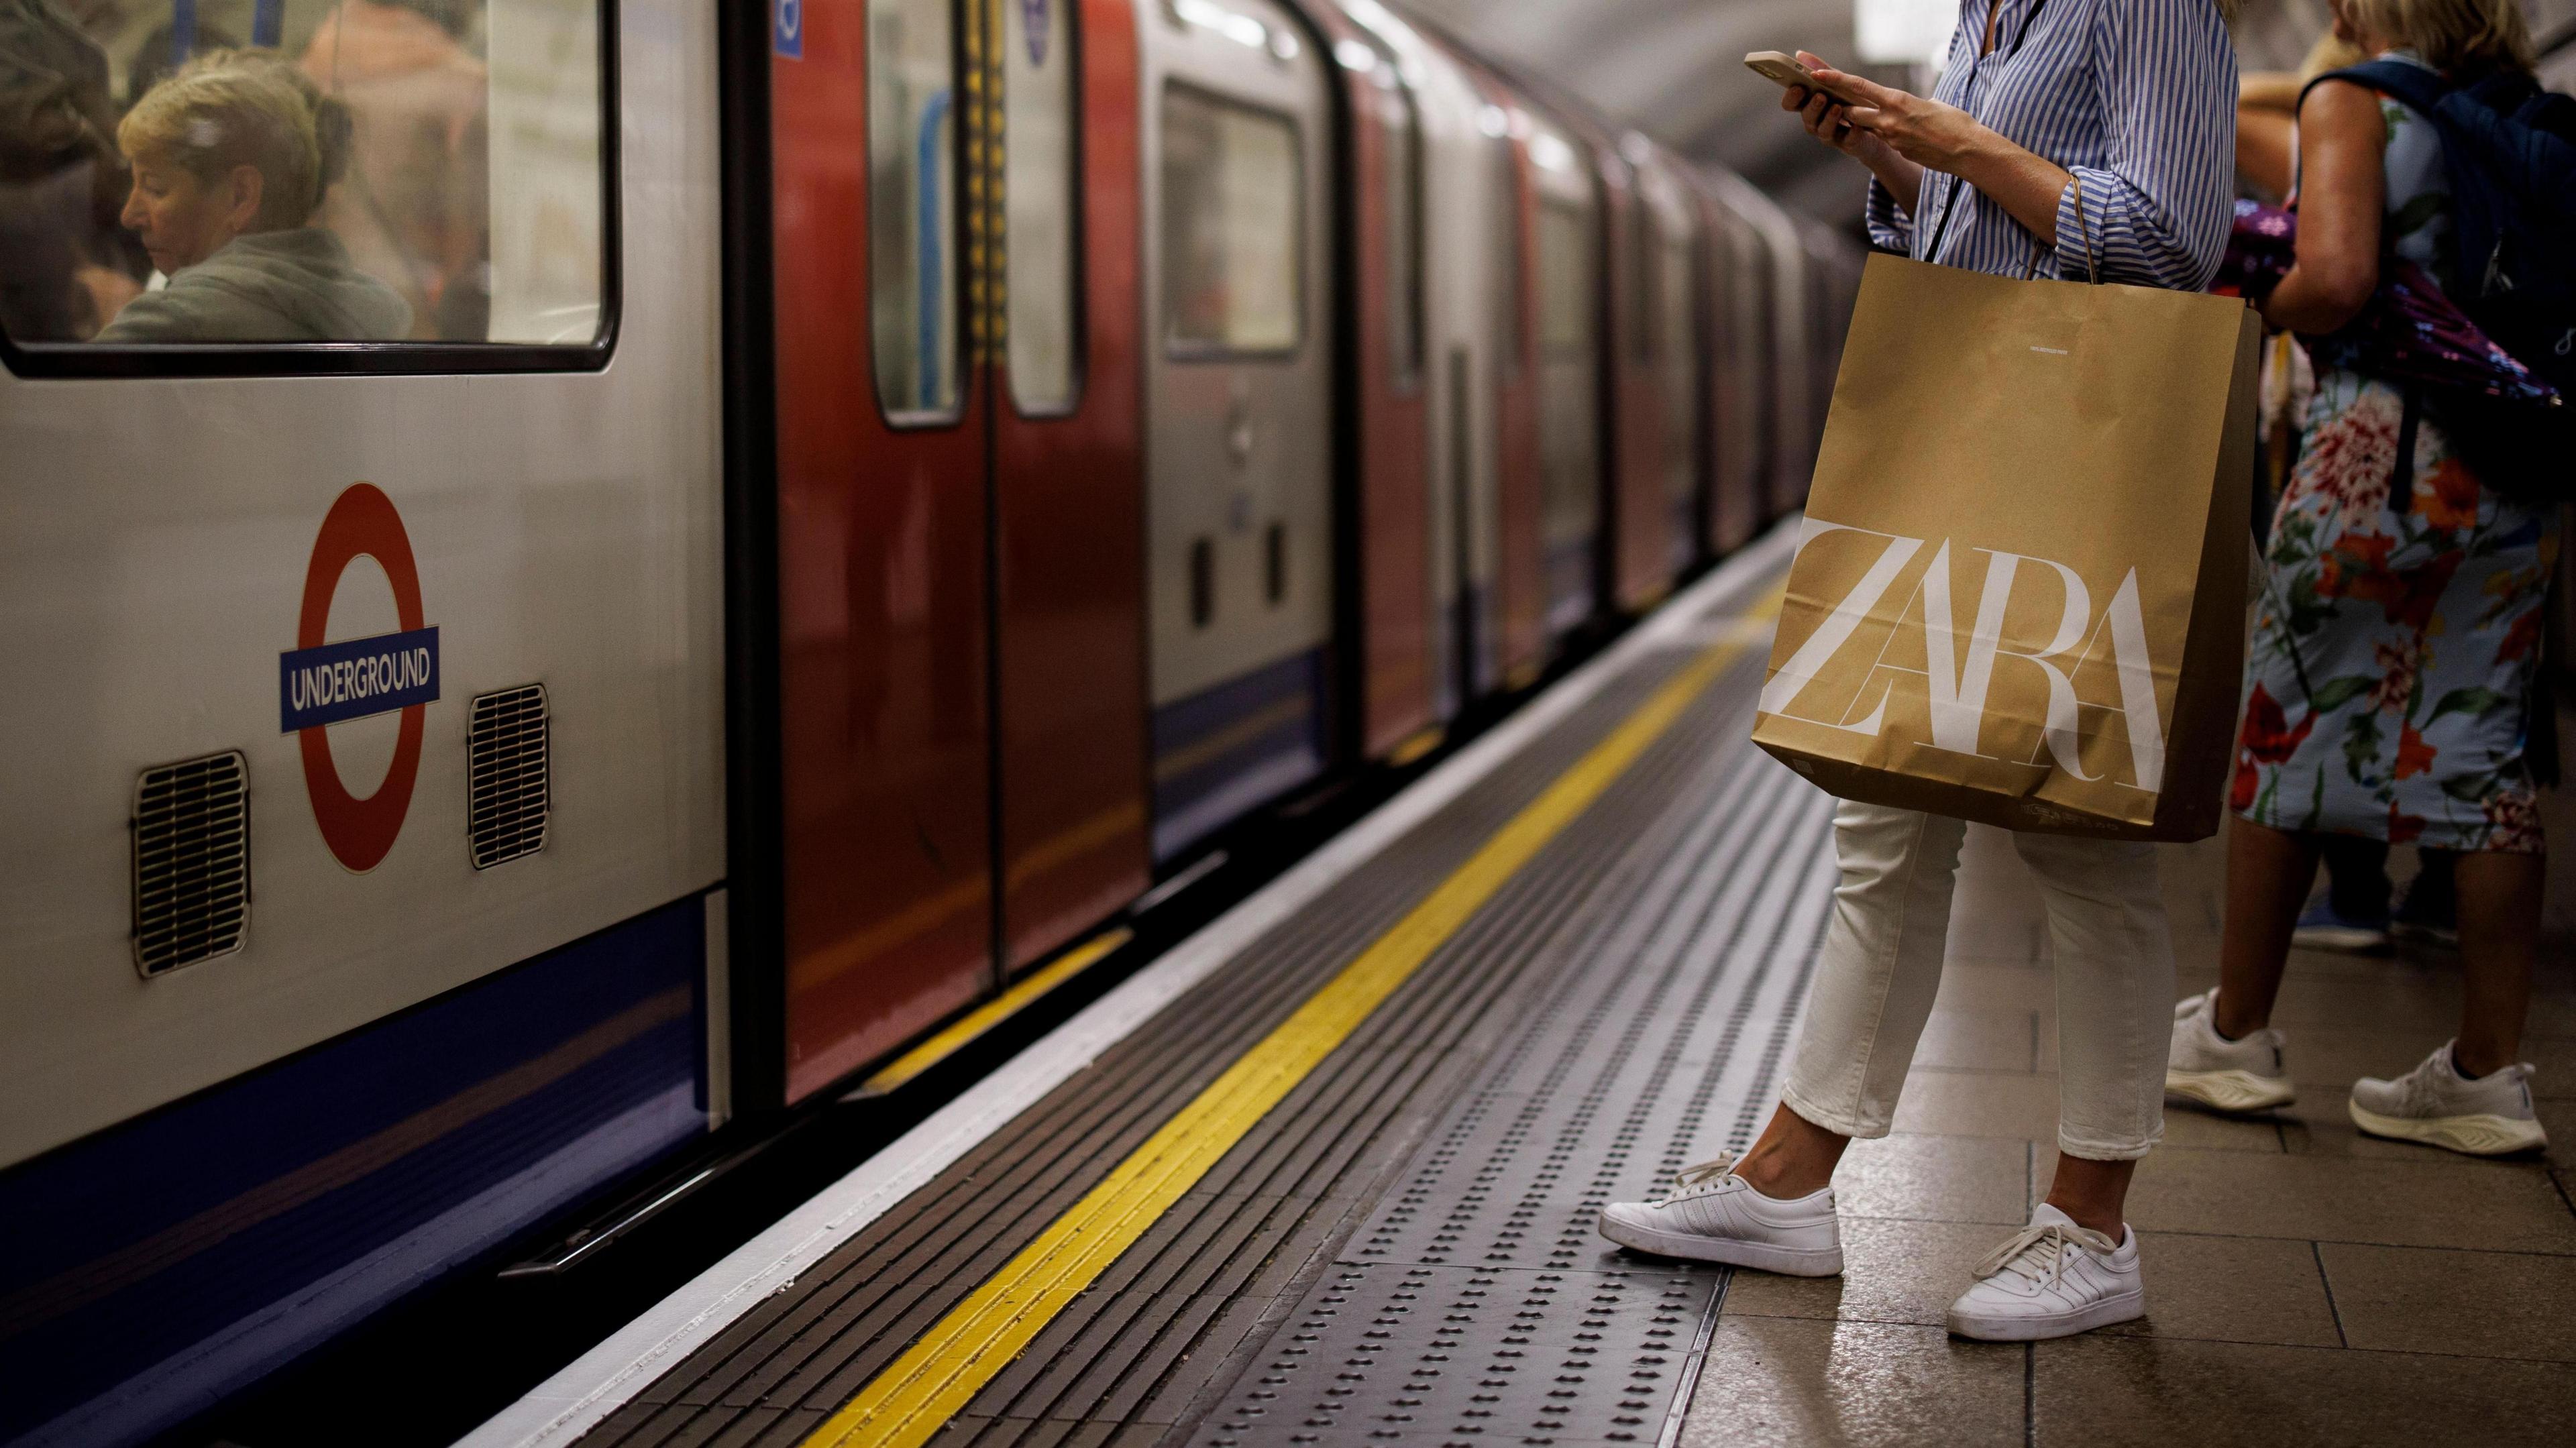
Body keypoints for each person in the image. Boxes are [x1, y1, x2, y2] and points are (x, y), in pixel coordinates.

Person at [1598, 0, 2237, 1342]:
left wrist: (1957, 138)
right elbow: (1974, 226)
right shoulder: (1984, 7)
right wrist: (1902, 164)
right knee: (1880, 814)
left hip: (2069, 448)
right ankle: (1789, 1177)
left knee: (2081, 836)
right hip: (1974, 424)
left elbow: (2176, 236)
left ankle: (2092, 1222)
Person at [2167, 0, 2555, 1157]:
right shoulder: (2531, 123)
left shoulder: (2357, 98)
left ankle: (2235, 1034)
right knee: (2486, 748)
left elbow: (2335, 277)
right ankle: (2485, 1072)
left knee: (2285, 729)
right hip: (2511, 473)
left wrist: (2268, 304)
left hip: (2374, 460)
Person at [97, 47, 410, 343]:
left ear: (241, 196)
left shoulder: (168, 325)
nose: (129, 216)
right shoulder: (382, 315)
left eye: (156, 188)